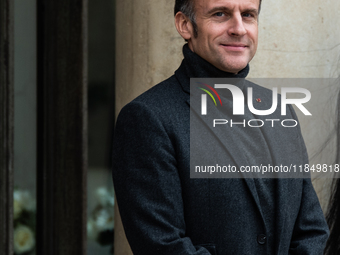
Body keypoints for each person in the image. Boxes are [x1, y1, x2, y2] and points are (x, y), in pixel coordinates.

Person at [112, 0, 329, 254]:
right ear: (185, 25)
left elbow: (312, 231)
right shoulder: (147, 118)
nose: (239, 28)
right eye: (220, 14)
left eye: (248, 15)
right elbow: (163, 245)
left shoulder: (280, 109)